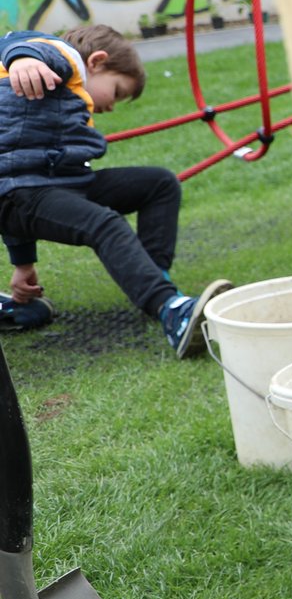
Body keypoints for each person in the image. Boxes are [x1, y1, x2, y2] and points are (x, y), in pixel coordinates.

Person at [0, 26, 229, 355]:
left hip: (56, 183)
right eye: (118, 91)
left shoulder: (60, 97)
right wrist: (22, 59)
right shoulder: (64, 59)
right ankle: (170, 310)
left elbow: (13, 154)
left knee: (159, 183)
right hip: (22, 192)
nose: (112, 107)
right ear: (97, 62)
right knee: (104, 224)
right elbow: (21, 41)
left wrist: (23, 264)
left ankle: (151, 279)